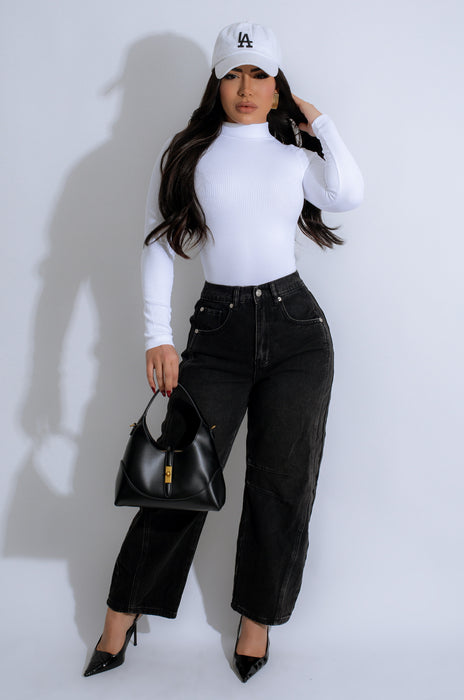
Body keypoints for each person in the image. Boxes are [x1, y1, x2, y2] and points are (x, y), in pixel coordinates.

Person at [84, 21, 364, 682]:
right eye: (233, 73)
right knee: (179, 480)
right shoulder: (190, 155)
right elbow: (159, 244)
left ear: (277, 87)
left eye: (259, 74)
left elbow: (348, 191)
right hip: (218, 332)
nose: (245, 87)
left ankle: (256, 623)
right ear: (216, 82)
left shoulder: (294, 158)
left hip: (297, 334)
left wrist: (320, 122)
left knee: (282, 484)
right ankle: (120, 616)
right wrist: (158, 335)